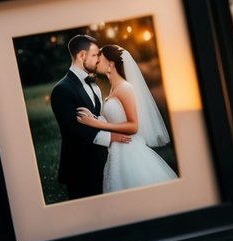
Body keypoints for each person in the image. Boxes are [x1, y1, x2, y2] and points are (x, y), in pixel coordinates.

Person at [76, 43, 177, 192]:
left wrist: (96, 124)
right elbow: (116, 119)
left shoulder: (125, 88)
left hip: (130, 152)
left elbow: (133, 126)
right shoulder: (114, 88)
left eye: (99, 59)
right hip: (117, 151)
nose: (96, 61)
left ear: (110, 63)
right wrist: (95, 118)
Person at [49, 34, 131, 200]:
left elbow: (97, 117)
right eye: (94, 55)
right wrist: (111, 137)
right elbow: (72, 130)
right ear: (82, 56)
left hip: (102, 161)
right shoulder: (62, 89)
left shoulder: (95, 84)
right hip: (80, 167)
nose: (98, 60)